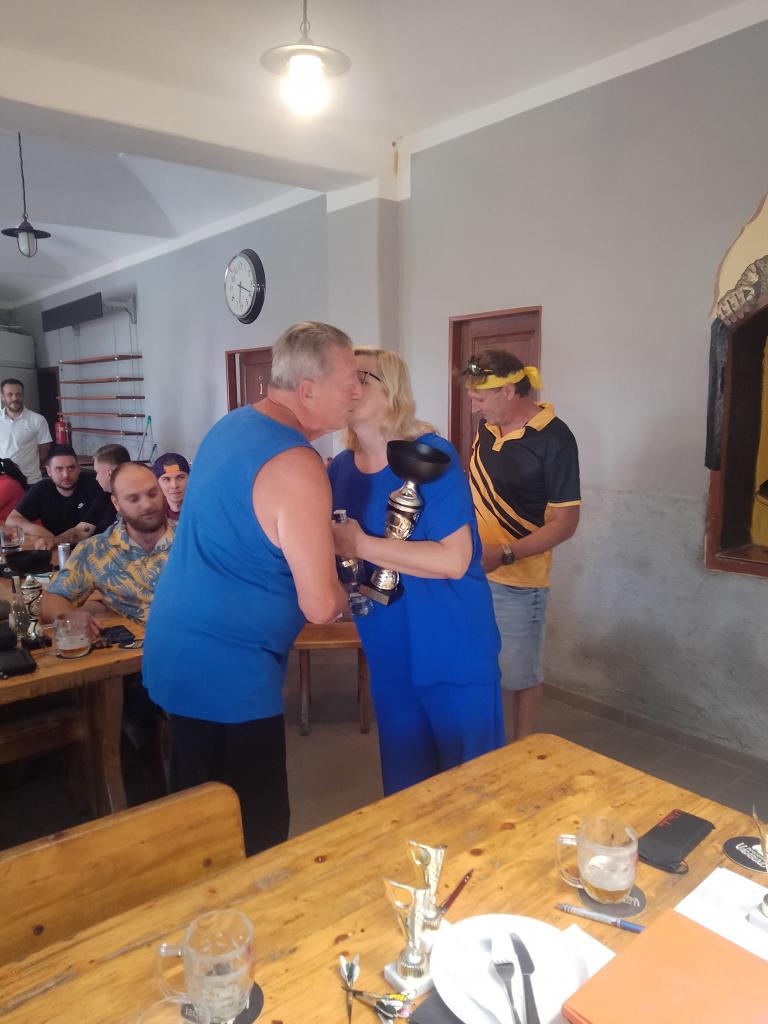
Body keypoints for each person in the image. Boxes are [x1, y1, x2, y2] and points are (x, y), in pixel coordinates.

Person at [143, 321, 361, 855]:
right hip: (227, 671)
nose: (358, 390)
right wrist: (355, 581)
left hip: (176, 645)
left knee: (196, 817)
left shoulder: (233, 424)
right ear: (307, 390)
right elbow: (320, 604)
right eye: (350, 380)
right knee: (250, 835)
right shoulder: (297, 463)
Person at [329, 347, 505, 797]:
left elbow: (453, 560)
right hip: (389, 651)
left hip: (452, 645)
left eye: (359, 377)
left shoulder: (430, 456)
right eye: (340, 377)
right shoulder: (341, 470)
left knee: (472, 792)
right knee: (408, 794)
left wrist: (360, 544)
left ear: (391, 390)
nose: (346, 387)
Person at [463, 349, 581, 740]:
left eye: (480, 398)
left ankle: (522, 753)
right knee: (478, 668)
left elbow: (566, 523)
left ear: (509, 391)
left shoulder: (554, 438)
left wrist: (506, 553)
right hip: (472, 573)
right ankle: (486, 748)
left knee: (519, 676)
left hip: (518, 583)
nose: (474, 407)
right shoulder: (487, 427)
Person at [40, 462, 174, 629]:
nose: (147, 504)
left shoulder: (192, 538)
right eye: (133, 499)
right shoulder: (95, 550)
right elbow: (51, 600)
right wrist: (70, 617)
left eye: (152, 494)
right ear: (116, 503)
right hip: (139, 643)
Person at [6, 443, 105, 548]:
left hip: (93, 549)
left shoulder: (95, 486)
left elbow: (82, 531)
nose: (66, 475)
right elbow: (11, 520)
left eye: (71, 468)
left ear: (78, 468)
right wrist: (41, 532)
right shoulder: (41, 489)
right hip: (57, 549)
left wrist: (53, 540)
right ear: (49, 471)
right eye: (59, 469)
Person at [0, 378, 52, 484]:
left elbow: (44, 452)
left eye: (18, 394)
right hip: (4, 481)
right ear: (2, 397)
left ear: (23, 395)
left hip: (30, 481)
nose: (15, 398)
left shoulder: (37, 420)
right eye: (10, 394)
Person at [90, 443, 131, 534]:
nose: (96, 478)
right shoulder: (105, 496)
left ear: (110, 474)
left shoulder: (130, 504)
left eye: (97, 472)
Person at [151, 452, 190, 521]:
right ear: (157, 483)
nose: (174, 486)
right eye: (166, 479)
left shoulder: (204, 511)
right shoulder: (152, 515)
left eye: (180, 478)